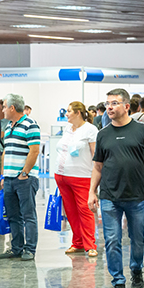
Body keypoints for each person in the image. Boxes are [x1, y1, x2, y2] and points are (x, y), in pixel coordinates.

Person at [88, 88, 144, 288]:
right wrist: (92, 191)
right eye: (108, 103)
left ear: (126, 106)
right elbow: (98, 167)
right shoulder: (102, 134)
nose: (109, 107)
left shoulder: (142, 131)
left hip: (137, 196)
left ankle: (136, 268)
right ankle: (118, 281)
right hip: (109, 197)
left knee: (137, 239)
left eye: (114, 103)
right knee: (112, 240)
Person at [0, 94, 41, 261]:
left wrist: (24, 173)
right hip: (8, 178)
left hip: (25, 179)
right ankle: (16, 248)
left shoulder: (30, 124)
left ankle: (29, 249)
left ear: (12, 108)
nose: (3, 110)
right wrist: (3, 174)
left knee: (28, 215)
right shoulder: (8, 126)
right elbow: (5, 152)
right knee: (13, 216)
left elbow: (34, 151)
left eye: (5, 107)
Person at [55, 102, 99, 257]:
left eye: (69, 111)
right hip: (62, 176)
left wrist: (96, 180)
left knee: (85, 211)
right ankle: (78, 243)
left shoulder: (90, 130)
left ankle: (90, 245)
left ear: (78, 112)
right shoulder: (68, 129)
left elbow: (96, 156)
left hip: (82, 176)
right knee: (71, 212)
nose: (66, 114)